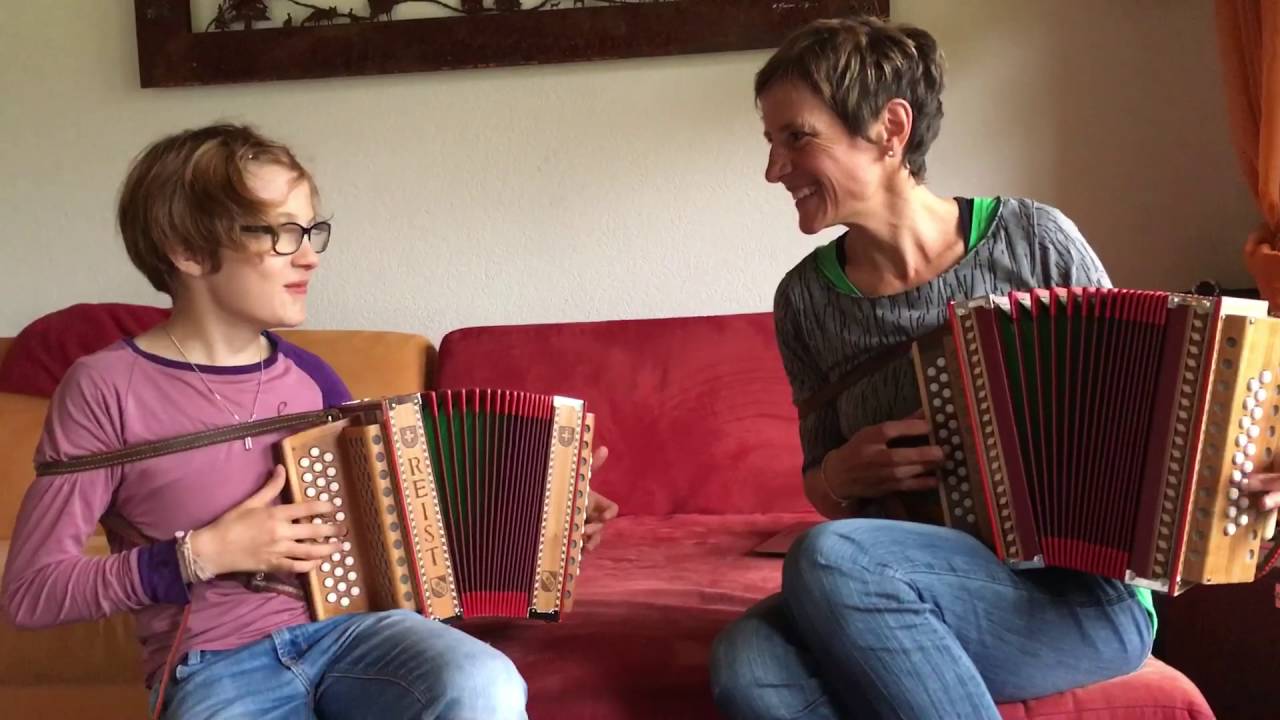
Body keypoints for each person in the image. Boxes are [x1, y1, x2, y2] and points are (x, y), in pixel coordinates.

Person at [1, 123, 619, 720]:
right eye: (280, 234)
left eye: (310, 231)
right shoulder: (104, 388)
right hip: (216, 661)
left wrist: (543, 515)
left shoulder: (312, 377)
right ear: (187, 250)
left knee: (482, 681)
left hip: (356, 635)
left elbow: (400, 529)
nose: (308, 258)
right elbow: (31, 592)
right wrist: (201, 554)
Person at [705, 15, 1211, 719]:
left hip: (1077, 597)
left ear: (890, 128)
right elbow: (821, 482)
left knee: (830, 558)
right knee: (748, 667)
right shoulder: (806, 301)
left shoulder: (1034, 239)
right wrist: (842, 475)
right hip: (902, 577)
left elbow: (1150, 404)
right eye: (771, 142)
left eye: (797, 137)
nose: (774, 169)